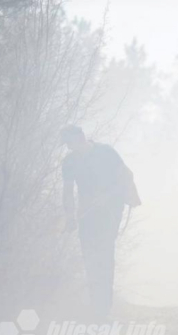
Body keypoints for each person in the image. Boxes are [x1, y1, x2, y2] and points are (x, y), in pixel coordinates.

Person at [60, 126, 141, 317]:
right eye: (66, 144)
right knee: (89, 258)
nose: (69, 147)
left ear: (81, 137)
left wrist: (108, 196)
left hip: (110, 212)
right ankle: (96, 307)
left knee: (104, 256)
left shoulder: (106, 152)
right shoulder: (69, 162)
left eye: (70, 142)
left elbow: (125, 177)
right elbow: (67, 191)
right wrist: (70, 216)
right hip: (86, 214)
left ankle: (103, 309)